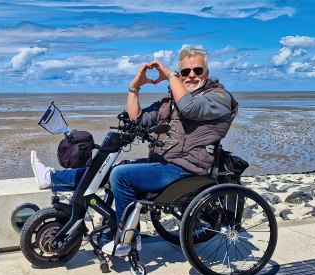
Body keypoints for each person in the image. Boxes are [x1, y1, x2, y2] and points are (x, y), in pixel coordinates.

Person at [31, 46, 238, 256]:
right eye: (185, 72)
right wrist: (134, 87)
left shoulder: (218, 97)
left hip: (188, 169)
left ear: (207, 73)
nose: (191, 75)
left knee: (121, 176)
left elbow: (190, 108)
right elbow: (137, 118)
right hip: (165, 163)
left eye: (197, 70)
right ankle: (53, 178)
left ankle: (129, 240)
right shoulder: (172, 100)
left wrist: (170, 75)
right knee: (113, 167)